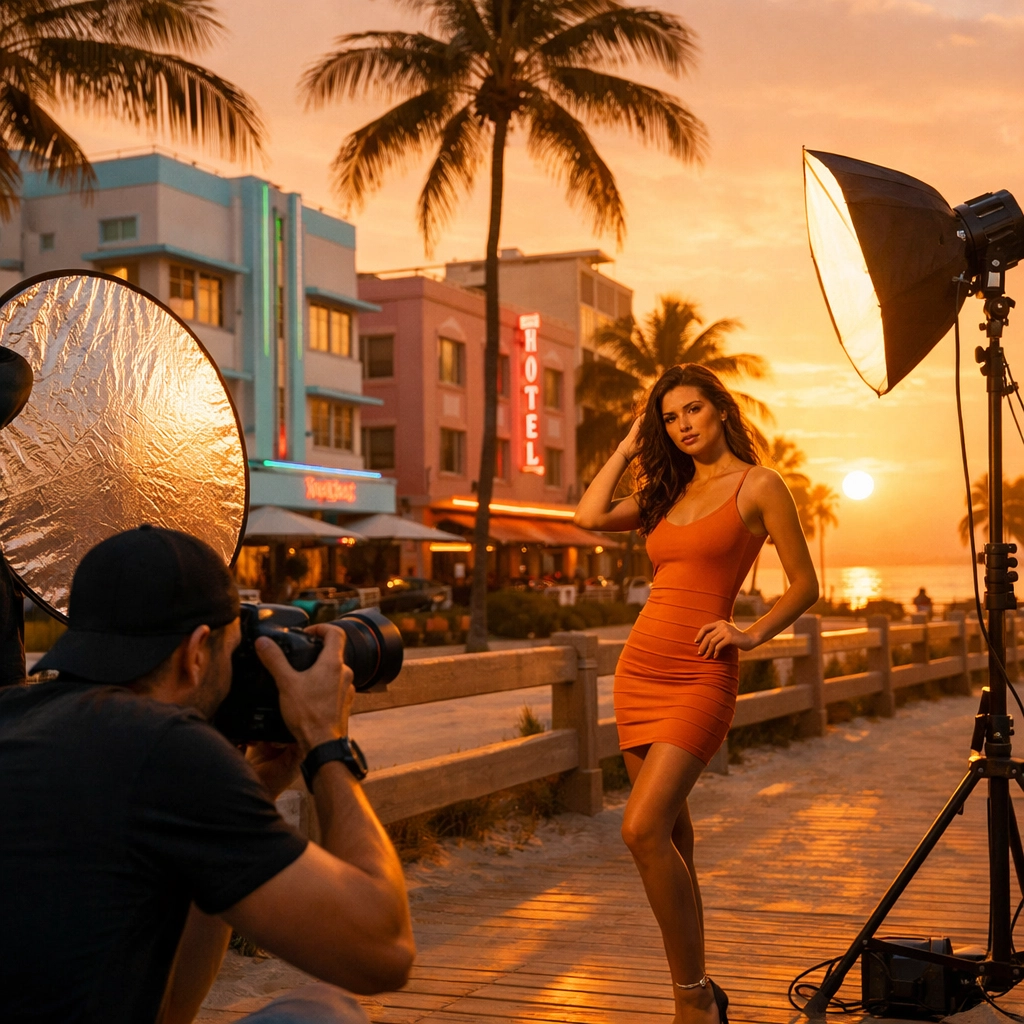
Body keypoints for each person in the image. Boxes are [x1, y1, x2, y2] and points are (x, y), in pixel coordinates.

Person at [0, 525, 415, 1023]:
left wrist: (254, 790)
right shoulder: (160, 746)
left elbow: (173, 1008)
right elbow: (384, 951)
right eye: (235, 650)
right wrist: (325, 743)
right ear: (196, 653)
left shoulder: (17, 715)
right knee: (325, 1013)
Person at [575, 364, 818, 1024]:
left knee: (641, 828)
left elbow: (805, 584)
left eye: (692, 410)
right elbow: (588, 516)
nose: (682, 425)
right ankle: (698, 989)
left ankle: (691, 1003)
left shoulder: (759, 485)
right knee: (673, 841)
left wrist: (752, 633)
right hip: (640, 673)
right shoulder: (663, 492)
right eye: (669, 418)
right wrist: (627, 447)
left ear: (720, 409)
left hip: (701, 676)